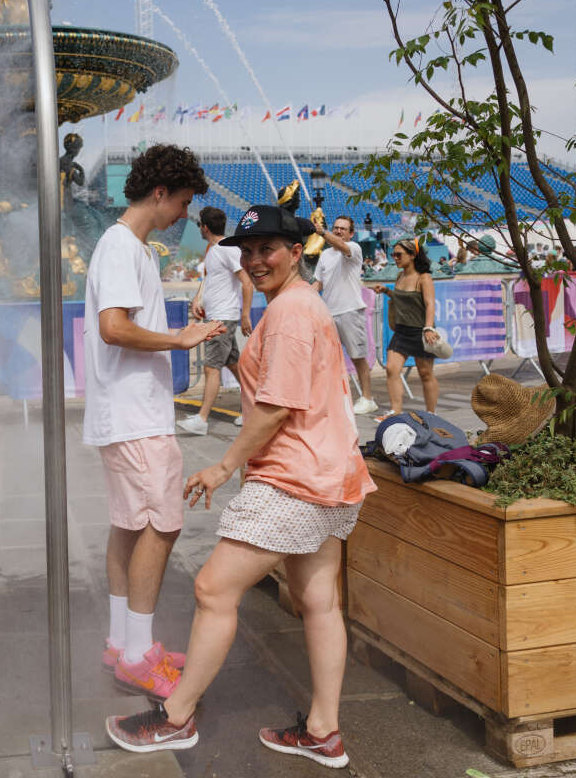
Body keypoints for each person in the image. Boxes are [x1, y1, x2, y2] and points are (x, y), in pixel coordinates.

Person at [105, 203, 375, 765]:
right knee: (320, 601)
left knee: (212, 589)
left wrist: (222, 467)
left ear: (297, 253)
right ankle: (324, 730)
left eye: (267, 250)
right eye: (247, 251)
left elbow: (275, 408)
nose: (255, 261)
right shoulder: (295, 305)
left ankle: (177, 717)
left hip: (294, 476)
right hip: (332, 471)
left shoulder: (294, 312)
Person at [83, 144, 224, 700]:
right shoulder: (121, 246)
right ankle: (138, 655)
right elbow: (114, 327)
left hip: (127, 412)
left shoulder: (134, 248)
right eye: (184, 203)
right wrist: (178, 338)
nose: (186, 215)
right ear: (160, 193)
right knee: (160, 526)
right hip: (135, 415)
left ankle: (124, 642)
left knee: (128, 522)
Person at [178, 207, 253, 435]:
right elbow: (210, 281)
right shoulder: (215, 249)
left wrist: (245, 314)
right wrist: (198, 300)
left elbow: (247, 283)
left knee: (211, 368)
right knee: (234, 365)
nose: (199, 227)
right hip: (218, 315)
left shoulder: (227, 249)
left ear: (205, 227)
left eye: (200, 224)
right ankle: (254, 410)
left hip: (222, 317)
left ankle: (202, 419)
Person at [313, 214, 378, 415]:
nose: (338, 230)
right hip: (329, 313)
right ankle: (332, 397)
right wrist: (303, 296)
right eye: (336, 227)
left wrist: (322, 232)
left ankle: (368, 398)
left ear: (351, 233)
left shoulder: (354, 249)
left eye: (343, 228)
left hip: (350, 311)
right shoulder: (325, 255)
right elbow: (318, 283)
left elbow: (343, 247)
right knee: (326, 359)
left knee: (358, 357)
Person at [369, 238, 438, 416]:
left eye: (398, 255)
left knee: (425, 374)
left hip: (420, 330)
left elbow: (430, 304)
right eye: (393, 254)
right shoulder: (400, 275)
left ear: (413, 255)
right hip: (401, 331)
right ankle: (395, 411)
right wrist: (386, 291)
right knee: (392, 368)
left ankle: (431, 414)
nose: (395, 258)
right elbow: (402, 299)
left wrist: (428, 328)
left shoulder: (424, 278)